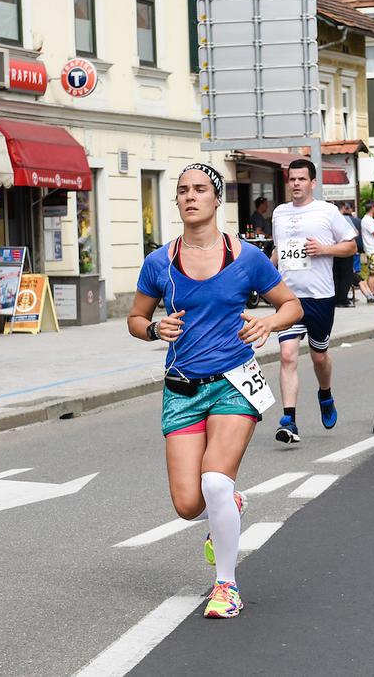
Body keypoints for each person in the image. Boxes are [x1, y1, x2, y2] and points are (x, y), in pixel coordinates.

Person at [127, 163, 302, 619]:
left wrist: (268, 321)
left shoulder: (246, 258)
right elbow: (135, 318)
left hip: (232, 383)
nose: (189, 196)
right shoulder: (159, 262)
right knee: (188, 505)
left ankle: (226, 585)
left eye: (200, 189)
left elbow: (291, 304)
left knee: (214, 481)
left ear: (216, 198)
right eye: (182, 190)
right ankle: (230, 504)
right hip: (181, 388)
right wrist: (152, 329)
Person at [271, 159, 358, 444]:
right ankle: (289, 420)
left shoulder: (327, 211)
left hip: (320, 296)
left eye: (301, 179)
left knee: (319, 356)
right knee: (287, 355)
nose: (296, 183)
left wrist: (324, 249)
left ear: (312, 183)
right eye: (292, 179)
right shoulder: (279, 213)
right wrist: (261, 274)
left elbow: (351, 246)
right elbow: (279, 250)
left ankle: (325, 393)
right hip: (288, 297)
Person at [333, 201, 360, 308]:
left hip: (334, 250)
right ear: (343, 208)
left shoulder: (329, 219)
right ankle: (342, 299)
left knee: (335, 275)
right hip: (345, 250)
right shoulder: (345, 218)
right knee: (346, 275)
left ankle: (335, 298)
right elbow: (355, 232)